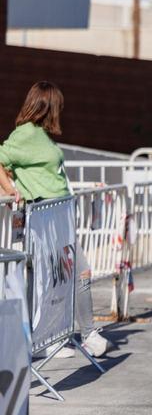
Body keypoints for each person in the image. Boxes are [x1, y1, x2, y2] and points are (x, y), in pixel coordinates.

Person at [0, 81, 107, 358]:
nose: (61, 110)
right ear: (46, 106)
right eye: (57, 105)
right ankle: (46, 338)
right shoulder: (24, 135)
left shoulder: (42, 135)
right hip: (43, 217)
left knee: (77, 271)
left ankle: (85, 332)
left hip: (59, 215)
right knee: (49, 278)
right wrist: (11, 189)